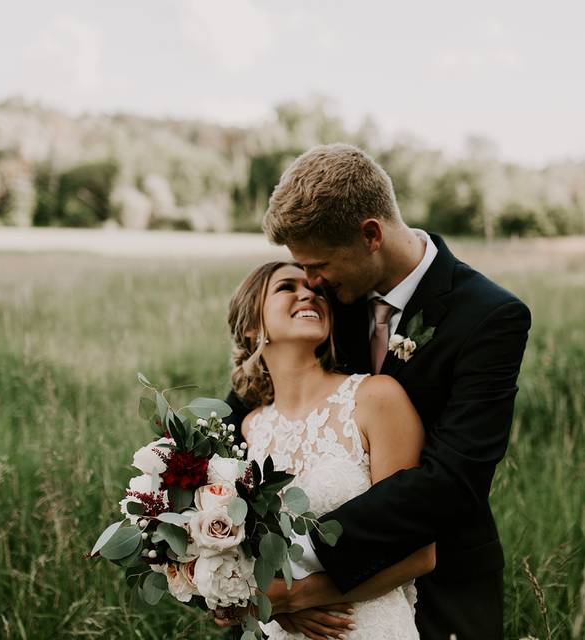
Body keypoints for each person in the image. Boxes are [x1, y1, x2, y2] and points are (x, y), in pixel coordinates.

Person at [226, 143, 531, 639]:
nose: (310, 280)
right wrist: (183, 495)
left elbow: (453, 481)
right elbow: (247, 402)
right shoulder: (328, 293)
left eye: (318, 264)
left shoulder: (489, 317)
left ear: (371, 235)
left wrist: (300, 578)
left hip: (440, 577)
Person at [226, 260, 435, 639]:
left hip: (368, 627)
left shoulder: (375, 398)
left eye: (316, 290)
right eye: (286, 287)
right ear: (251, 327)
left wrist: (297, 598)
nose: (308, 293)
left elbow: (419, 553)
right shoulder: (249, 429)